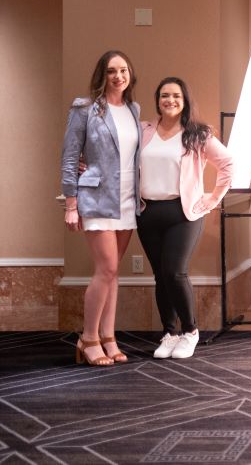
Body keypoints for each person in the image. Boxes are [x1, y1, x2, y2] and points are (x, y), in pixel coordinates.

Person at [138, 77, 233, 359]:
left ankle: (190, 331)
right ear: (158, 100)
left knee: (175, 272)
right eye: (165, 95)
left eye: (176, 96)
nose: (170, 100)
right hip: (148, 212)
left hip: (183, 213)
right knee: (160, 276)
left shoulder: (197, 133)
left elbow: (228, 164)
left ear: (184, 100)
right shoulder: (144, 130)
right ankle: (169, 334)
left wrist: (213, 198)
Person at [61, 50, 141, 366]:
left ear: (130, 74)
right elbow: (69, 157)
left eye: (123, 70)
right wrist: (70, 203)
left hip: (127, 200)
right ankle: (88, 338)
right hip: (96, 197)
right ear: (102, 75)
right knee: (105, 269)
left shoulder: (134, 110)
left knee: (113, 273)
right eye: (111, 71)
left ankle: (109, 337)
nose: (118, 76)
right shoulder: (85, 110)